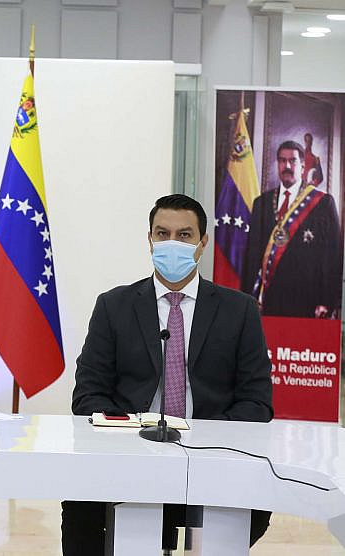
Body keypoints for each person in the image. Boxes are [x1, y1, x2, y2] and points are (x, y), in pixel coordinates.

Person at [64, 194, 273, 555]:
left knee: (254, 503)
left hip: (211, 458)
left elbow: (256, 402)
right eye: (162, 233)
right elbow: (87, 396)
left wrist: (204, 439)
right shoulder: (113, 306)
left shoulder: (239, 310)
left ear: (202, 243)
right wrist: (132, 434)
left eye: (184, 235)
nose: (171, 243)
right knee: (80, 503)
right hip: (129, 455)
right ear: (150, 239)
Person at [241, 140, 342, 318]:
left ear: (303, 166)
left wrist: (327, 301)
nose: (287, 166)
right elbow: (252, 255)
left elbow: (332, 256)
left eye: (292, 161)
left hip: (308, 302)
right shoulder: (261, 203)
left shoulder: (323, 204)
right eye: (282, 160)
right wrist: (248, 298)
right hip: (269, 301)